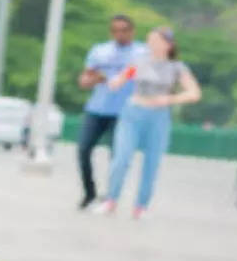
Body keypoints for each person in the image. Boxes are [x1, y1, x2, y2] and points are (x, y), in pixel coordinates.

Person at [93, 27, 201, 219]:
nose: (152, 44)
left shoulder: (177, 67)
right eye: (150, 40)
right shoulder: (139, 62)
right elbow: (121, 79)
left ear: (168, 44)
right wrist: (110, 80)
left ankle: (141, 206)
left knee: (152, 162)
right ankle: (111, 200)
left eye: (156, 41)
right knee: (121, 158)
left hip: (158, 117)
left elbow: (194, 93)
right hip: (133, 112)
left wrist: (168, 99)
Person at [75, 14, 145, 209]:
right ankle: (89, 192)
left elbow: (143, 74)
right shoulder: (100, 51)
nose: (119, 34)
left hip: (124, 112)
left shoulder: (141, 53)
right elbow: (85, 79)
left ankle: (111, 196)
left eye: (124, 30)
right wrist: (95, 79)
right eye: (115, 30)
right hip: (97, 109)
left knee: (118, 156)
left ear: (132, 31)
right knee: (83, 149)